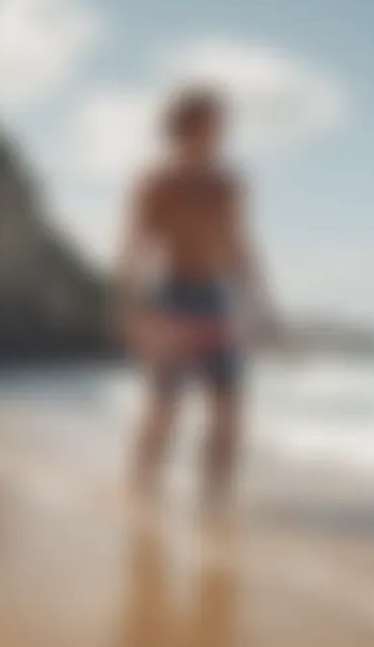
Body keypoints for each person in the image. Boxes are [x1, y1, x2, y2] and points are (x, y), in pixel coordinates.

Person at [117, 86, 274, 512]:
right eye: (211, 124)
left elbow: (239, 244)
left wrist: (260, 301)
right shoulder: (157, 183)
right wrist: (134, 312)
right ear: (186, 129)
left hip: (215, 299)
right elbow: (136, 249)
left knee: (230, 405)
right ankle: (140, 492)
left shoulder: (227, 184)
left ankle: (214, 500)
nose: (220, 133)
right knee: (165, 407)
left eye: (221, 125)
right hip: (171, 299)